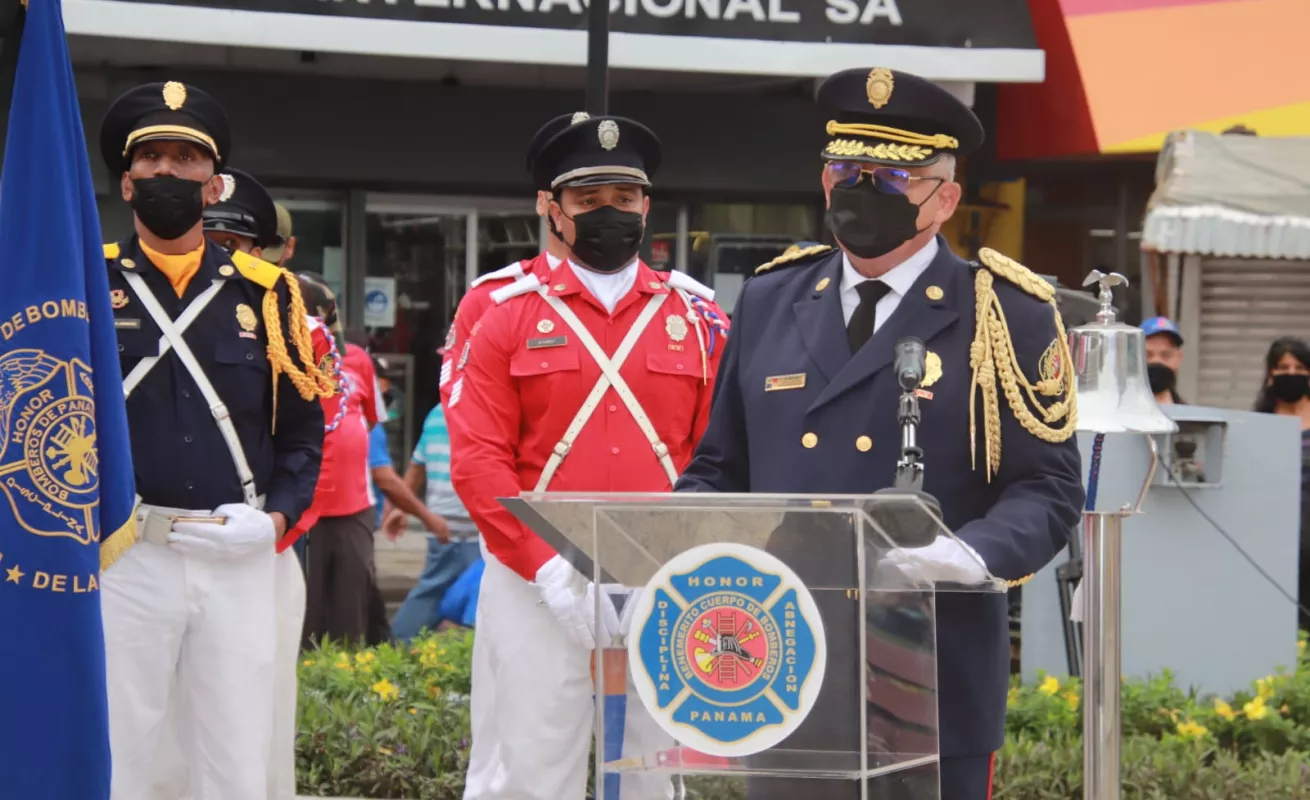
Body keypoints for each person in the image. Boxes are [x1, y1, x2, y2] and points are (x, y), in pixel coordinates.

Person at [675, 67, 1083, 800]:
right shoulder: (772, 298)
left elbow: (1047, 487)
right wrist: (667, 552)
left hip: (932, 667)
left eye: (892, 177)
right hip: (785, 662)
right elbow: (718, 469)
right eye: (846, 170)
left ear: (945, 197)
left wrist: (969, 554)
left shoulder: (1005, 312)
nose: (861, 192)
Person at [449, 113, 729, 800]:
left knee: (652, 774)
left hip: (661, 579)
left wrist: (675, 558)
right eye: (589, 200)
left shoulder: (697, 317)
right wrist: (547, 567)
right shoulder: (503, 314)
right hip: (536, 580)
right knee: (531, 772)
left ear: (646, 204)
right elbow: (478, 458)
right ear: (551, 207)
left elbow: (717, 455)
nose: (612, 213)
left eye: (625, 199)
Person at [98, 81, 331, 800]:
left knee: (235, 757)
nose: (169, 173)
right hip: (125, 552)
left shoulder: (268, 294)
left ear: (214, 181)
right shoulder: (84, 278)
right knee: (121, 754)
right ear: (127, 180)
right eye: (153, 160)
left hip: (237, 556)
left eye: (187, 159)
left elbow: (301, 433)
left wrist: (276, 519)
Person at [438, 111, 584, 416]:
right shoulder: (490, 300)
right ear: (544, 202)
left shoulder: (669, 304)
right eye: (583, 197)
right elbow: (465, 411)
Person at [385, 391, 475, 640]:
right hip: (475, 526)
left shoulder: (437, 413)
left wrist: (402, 508)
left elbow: (416, 469)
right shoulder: (486, 406)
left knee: (433, 591)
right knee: (479, 600)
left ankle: (399, 646)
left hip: (441, 524)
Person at [1252, 336, 1310, 630]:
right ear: (1270, 374)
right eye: (1283, 367)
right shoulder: (1258, 421)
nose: (1291, 373)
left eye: (1299, 366)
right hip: (1273, 530)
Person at [1141, 316, 1186, 404]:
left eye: (1166, 355)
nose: (1157, 361)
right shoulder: (1116, 413)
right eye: (1147, 355)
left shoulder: (1191, 415)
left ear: (1179, 358)